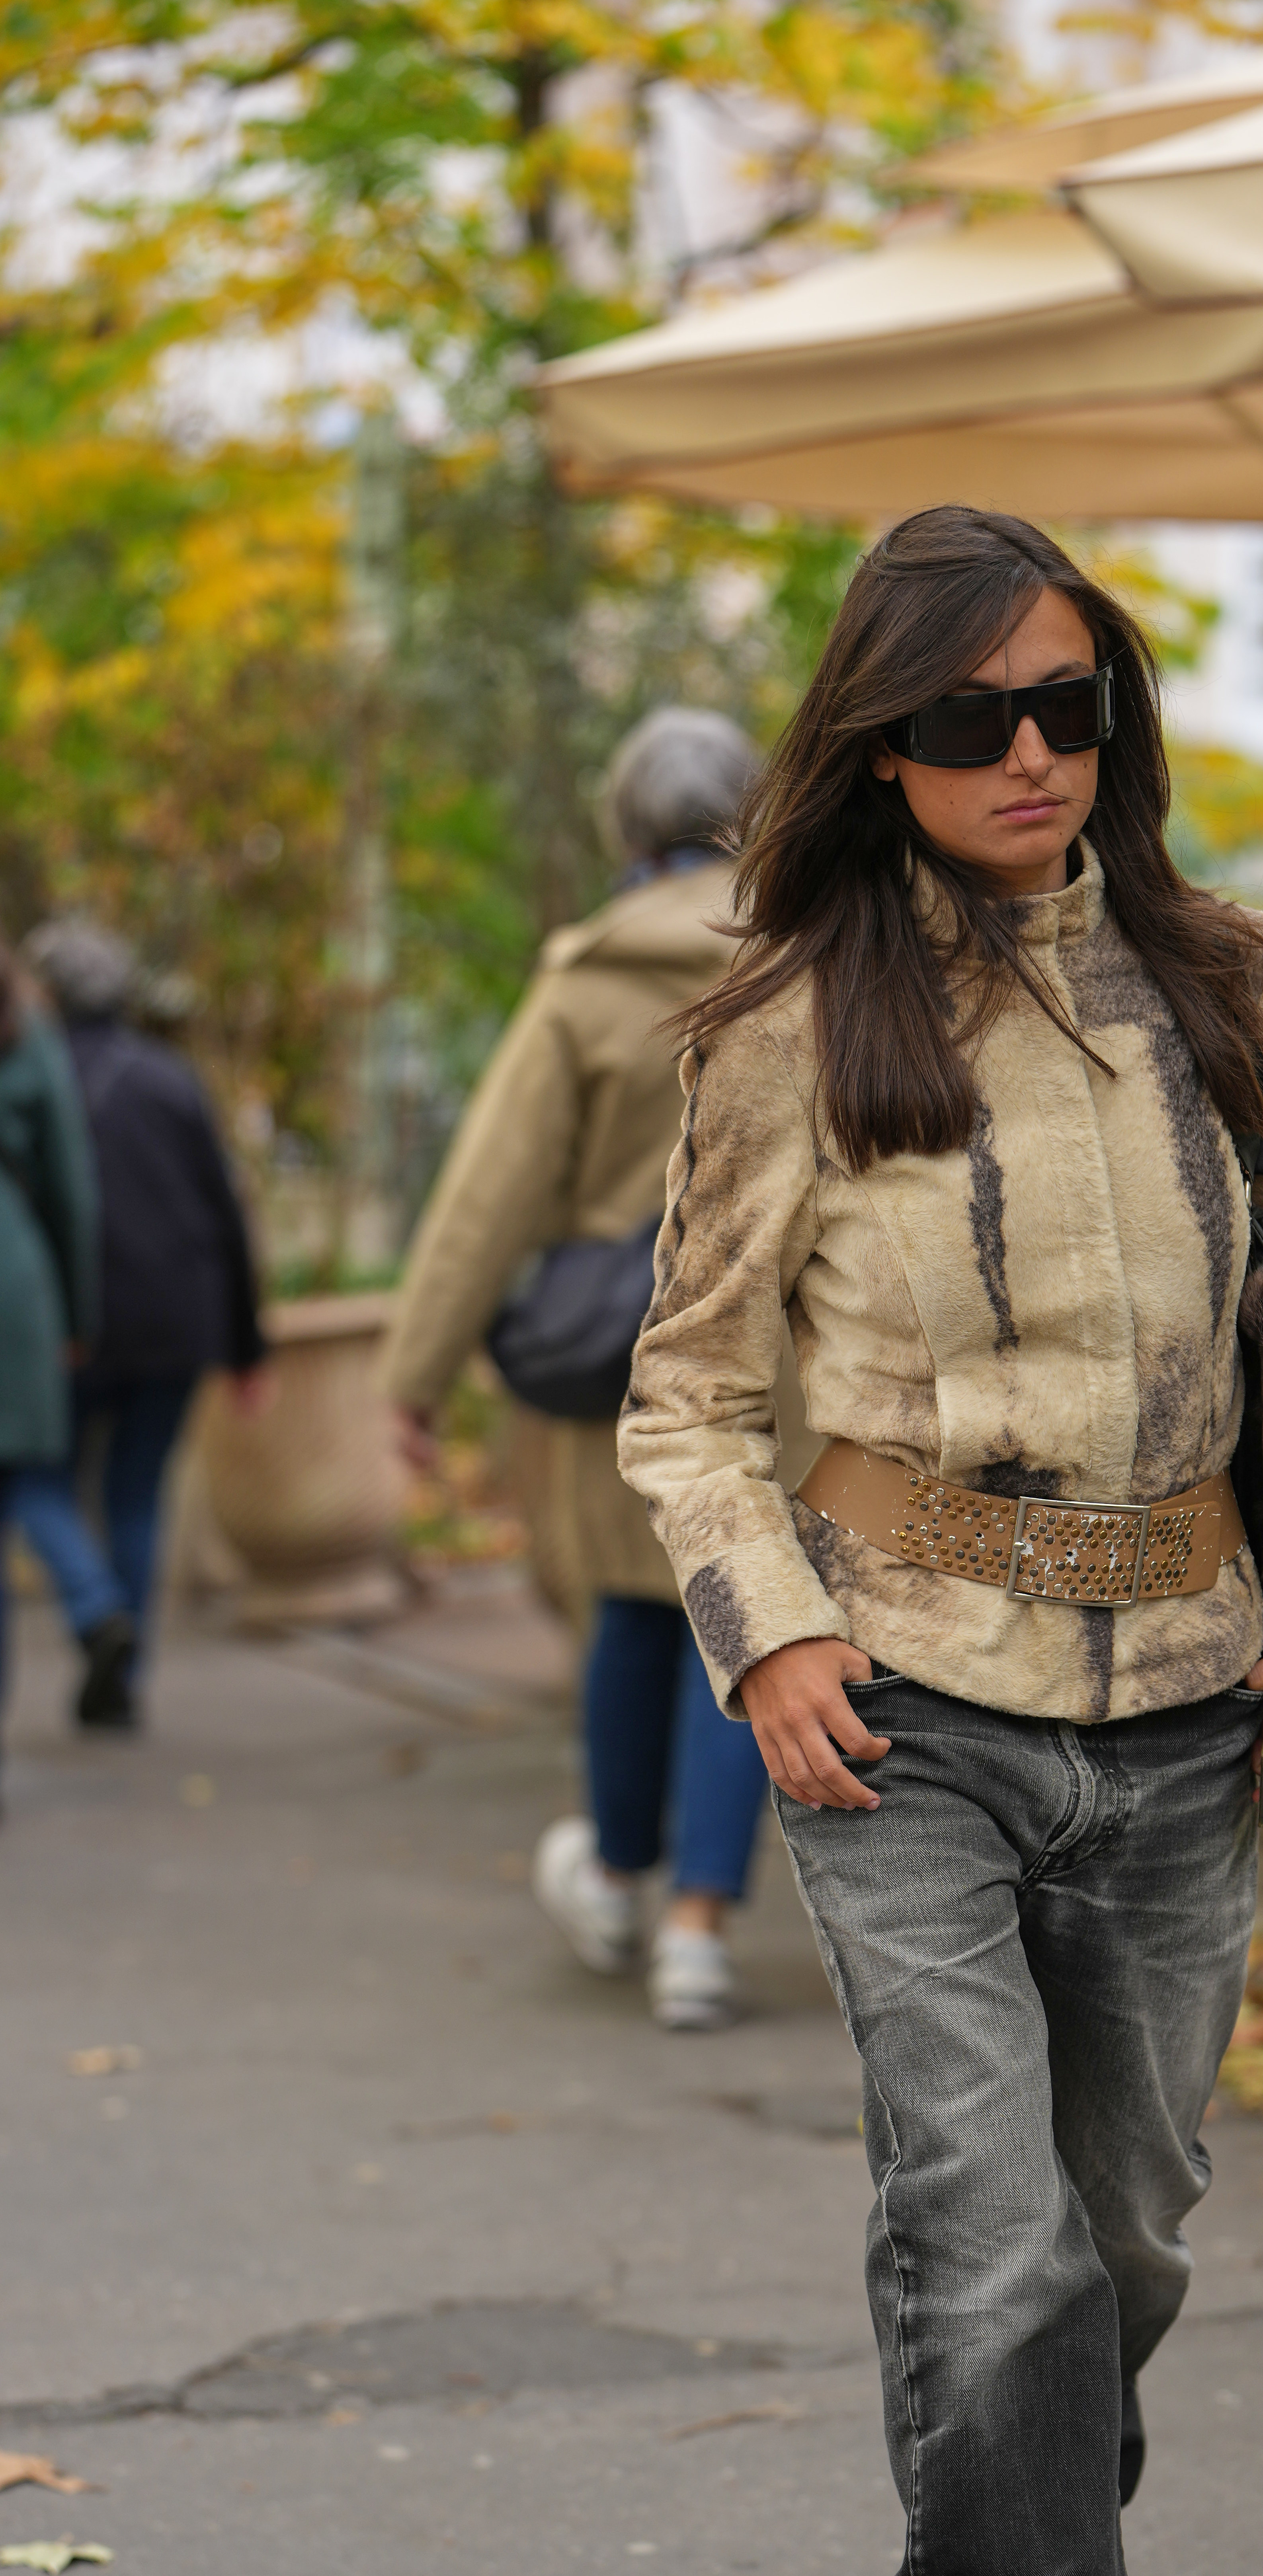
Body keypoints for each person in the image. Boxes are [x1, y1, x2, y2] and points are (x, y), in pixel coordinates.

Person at [619, 509, 1263, 2576]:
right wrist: (759, 1641)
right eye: (970, 717)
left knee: (1119, 2237)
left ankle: (973, 2560)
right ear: (882, 738)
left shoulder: (1216, 986)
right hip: (902, 1706)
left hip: (1180, 1708)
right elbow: (690, 1398)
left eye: (1072, 704)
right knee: (999, 2226)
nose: (1031, 752)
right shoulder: (776, 1028)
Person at [384, 705, 769, 2032]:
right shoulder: (808, 957)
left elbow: (488, 1197)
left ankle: (614, 1877)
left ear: (626, 829)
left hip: (636, 1352)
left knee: (634, 1606)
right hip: (788, 1344)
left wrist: (415, 1380)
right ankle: (699, 1933)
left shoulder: (587, 978)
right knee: (745, 1617)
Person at [13, 917, 267, 1730]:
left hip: (64, 1326)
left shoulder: (35, 1071)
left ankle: (96, 1612)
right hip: (171, 1323)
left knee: (42, 1478)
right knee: (135, 1493)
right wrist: (246, 1344)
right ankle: (122, 1677)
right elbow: (224, 1214)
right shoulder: (170, 1078)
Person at [0, 939, 100, 1791]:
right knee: (30, 1482)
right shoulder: (22, 1025)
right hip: (16, 1280)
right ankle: (99, 1604)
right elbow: (71, 1186)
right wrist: (77, 1316)